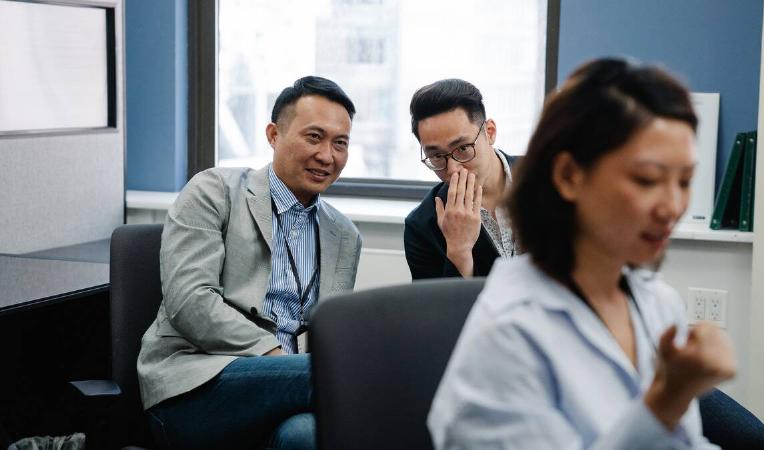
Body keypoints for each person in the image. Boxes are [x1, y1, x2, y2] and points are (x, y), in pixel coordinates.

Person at [428, 59, 764, 449]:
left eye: (685, 181)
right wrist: (666, 400)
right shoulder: (509, 332)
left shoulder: (655, 301)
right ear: (568, 177)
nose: (672, 206)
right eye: (647, 179)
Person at [137, 76, 362, 450]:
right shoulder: (214, 191)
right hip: (194, 384)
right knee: (340, 377)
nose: (327, 155)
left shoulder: (344, 235)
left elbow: (328, 333)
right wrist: (273, 353)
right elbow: (190, 302)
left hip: (283, 388)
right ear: (274, 135)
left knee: (307, 436)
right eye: (314, 137)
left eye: (340, 143)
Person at [404, 79, 519, 279]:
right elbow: (440, 309)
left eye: (463, 148)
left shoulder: (548, 178)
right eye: (437, 156)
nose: (453, 169)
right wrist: (459, 251)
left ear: (489, 132)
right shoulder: (422, 226)